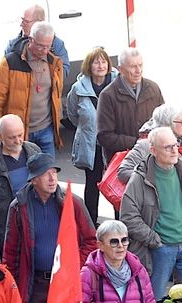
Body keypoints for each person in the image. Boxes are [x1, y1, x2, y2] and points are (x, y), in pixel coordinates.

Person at [2, 152, 98, 303]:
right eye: (46, 174)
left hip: (64, 285)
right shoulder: (19, 207)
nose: (52, 178)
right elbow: (10, 252)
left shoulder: (73, 203)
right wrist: (12, 288)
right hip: (35, 285)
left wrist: (72, 266)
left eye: (54, 172)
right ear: (33, 179)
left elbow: (91, 240)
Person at [121, 126, 182, 298]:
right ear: (153, 150)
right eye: (168, 147)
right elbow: (128, 217)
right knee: (154, 301)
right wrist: (154, 240)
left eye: (175, 145)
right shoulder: (139, 178)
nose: (175, 150)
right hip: (161, 249)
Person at [117, 104, 182, 227]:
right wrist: (155, 180)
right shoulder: (146, 145)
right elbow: (123, 171)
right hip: (156, 217)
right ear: (168, 122)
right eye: (181, 121)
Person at [0, 21, 64, 161]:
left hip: (46, 129)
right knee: (23, 177)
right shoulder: (10, 62)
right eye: (41, 46)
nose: (45, 51)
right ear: (30, 40)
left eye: (48, 46)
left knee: (47, 174)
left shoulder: (54, 63)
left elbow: (56, 97)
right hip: (19, 134)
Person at [0, 114, 40, 251]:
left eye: (20, 135)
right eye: (12, 137)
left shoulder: (34, 151)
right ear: (0, 135)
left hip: (36, 220)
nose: (17, 141)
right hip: (7, 227)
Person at [64, 46, 114, 218]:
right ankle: (91, 225)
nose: (100, 65)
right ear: (88, 66)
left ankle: (120, 224)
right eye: (96, 62)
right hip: (91, 145)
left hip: (113, 143)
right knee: (92, 185)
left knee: (117, 182)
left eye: (103, 61)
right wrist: (89, 129)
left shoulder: (118, 84)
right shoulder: (78, 89)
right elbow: (72, 115)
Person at [97, 47, 164, 169]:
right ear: (120, 69)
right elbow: (104, 136)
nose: (138, 70)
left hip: (153, 159)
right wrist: (137, 143)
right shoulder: (108, 95)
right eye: (133, 66)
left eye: (140, 65)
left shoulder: (153, 88)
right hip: (123, 165)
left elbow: (164, 123)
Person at [5, 4, 69, 79]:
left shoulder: (56, 44)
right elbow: (3, 75)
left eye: (26, 21)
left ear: (39, 23)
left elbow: (64, 71)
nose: (21, 24)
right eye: (22, 20)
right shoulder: (12, 46)